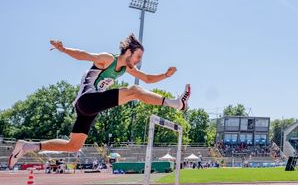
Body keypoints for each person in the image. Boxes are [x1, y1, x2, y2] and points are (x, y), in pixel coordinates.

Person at [8, 34, 191, 170]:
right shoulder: (108, 59)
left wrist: (165, 75)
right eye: (137, 57)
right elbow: (84, 55)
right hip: (87, 100)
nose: (138, 61)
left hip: (89, 109)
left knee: (74, 146)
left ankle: (26, 146)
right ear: (128, 52)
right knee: (134, 91)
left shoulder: (125, 69)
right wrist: (63, 49)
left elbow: (147, 79)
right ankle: (177, 104)